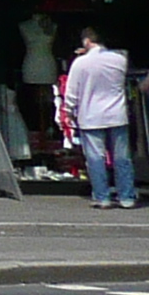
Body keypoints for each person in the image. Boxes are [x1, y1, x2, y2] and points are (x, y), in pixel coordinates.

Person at [62, 27, 139, 210]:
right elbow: (122, 56)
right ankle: (126, 196)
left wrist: (69, 111)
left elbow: (72, 92)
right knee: (122, 158)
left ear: (87, 41)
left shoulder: (80, 63)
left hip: (91, 116)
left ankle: (102, 197)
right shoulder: (119, 60)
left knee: (96, 159)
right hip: (116, 114)